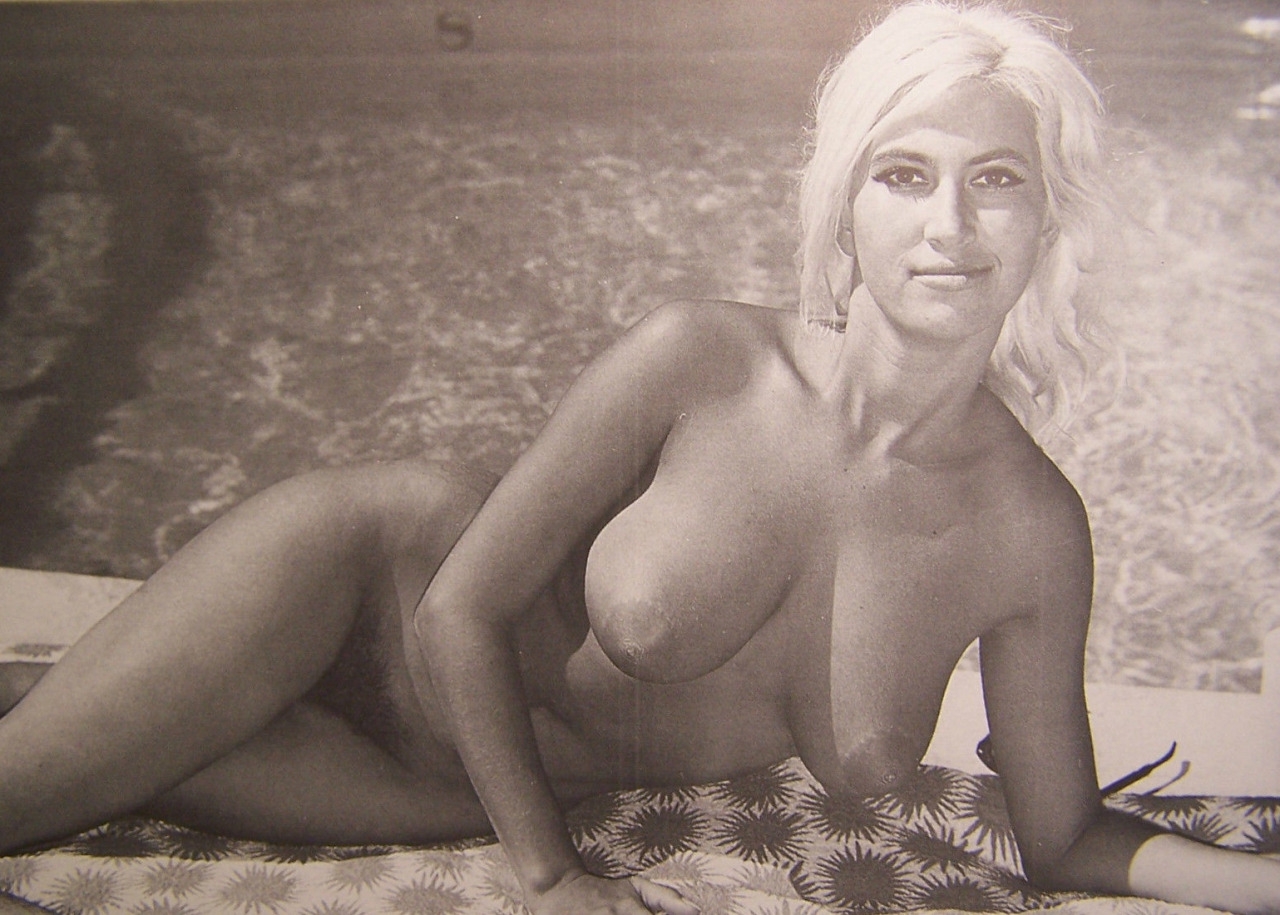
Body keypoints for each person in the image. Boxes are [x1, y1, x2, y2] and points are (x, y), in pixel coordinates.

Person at [2, 2, 1279, 914]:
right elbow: (457, 607)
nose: (947, 224)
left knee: (65, 773)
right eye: (903, 175)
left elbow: (1061, 838)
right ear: (845, 207)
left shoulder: (1028, 529)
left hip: (437, 786)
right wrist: (550, 879)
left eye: (994, 179)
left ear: (1047, 217)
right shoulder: (701, 360)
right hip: (352, 597)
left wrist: (1254, 883)